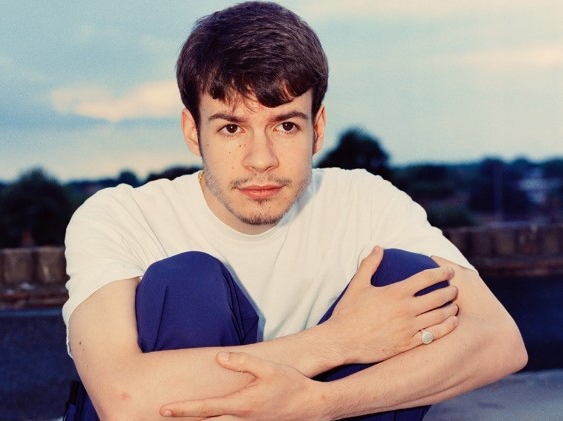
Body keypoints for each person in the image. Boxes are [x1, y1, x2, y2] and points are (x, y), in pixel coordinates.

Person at [62, 2, 527, 420]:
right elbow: (124, 398)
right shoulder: (121, 216)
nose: (260, 159)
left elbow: (500, 340)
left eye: (285, 125)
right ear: (192, 131)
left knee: (405, 274)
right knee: (186, 282)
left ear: (317, 128)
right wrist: (341, 340)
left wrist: (321, 404)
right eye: (231, 128)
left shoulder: (364, 202)